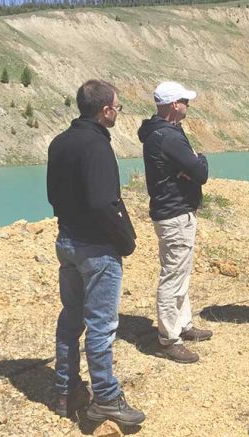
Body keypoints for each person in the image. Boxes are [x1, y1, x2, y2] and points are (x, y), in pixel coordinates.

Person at [47, 80, 145, 425]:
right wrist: (126, 240)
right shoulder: (97, 145)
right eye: (117, 108)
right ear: (105, 111)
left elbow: (53, 197)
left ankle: (66, 390)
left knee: (71, 319)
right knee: (101, 327)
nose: (118, 113)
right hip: (96, 249)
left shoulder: (60, 142)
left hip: (67, 243)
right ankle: (105, 397)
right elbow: (105, 202)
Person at [138, 81, 212, 364]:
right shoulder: (168, 137)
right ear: (173, 105)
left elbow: (190, 170)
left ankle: (184, 324)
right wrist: (199, 159)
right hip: (175, 214)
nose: (188, 105)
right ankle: (169, 339)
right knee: (173, 275)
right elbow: (200, 171)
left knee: (180, 271)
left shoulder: (163, 133)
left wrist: (191, 166)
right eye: (185, 101)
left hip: (174, 211)